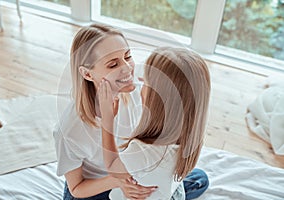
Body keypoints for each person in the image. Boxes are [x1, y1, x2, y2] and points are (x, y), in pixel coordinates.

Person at [54, 23, 209, 200]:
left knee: (199, 179)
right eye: (113, 64)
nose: (127, 68)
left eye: (128, 56)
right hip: (96, 187)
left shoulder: (139, 92)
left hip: (130, 168)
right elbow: (77, 189)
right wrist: (119, 181)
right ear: (88, 74)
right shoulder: (68, 130)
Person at [99, 47, 211, 200]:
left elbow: (112, 167)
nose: (139, 82)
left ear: (158, 100)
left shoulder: (142, 151)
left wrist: (107, 119)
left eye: (145, 82)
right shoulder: (192, 135)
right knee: (200, 179)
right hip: (169, 190)